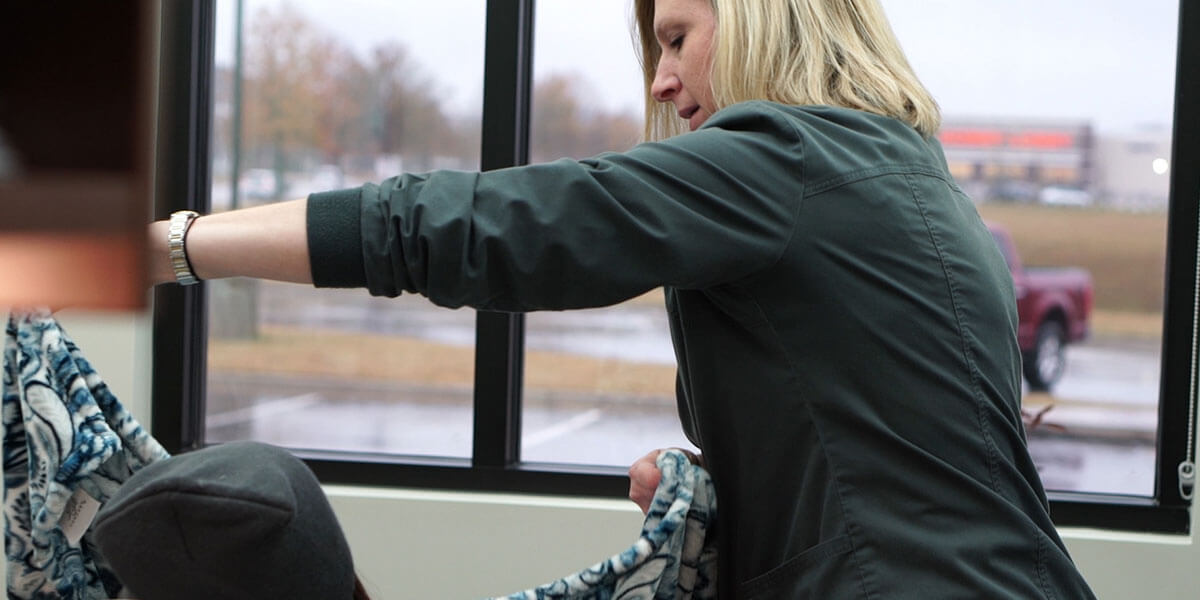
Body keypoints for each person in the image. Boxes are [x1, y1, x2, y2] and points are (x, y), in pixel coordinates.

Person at [148, 0, 1096, 597]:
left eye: (678, 36)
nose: (660, 77)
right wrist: (724, 487)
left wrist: (185, 246)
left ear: (769, 17)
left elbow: (490, 225)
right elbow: (893, 457)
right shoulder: (924, 190)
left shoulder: (786, 160)